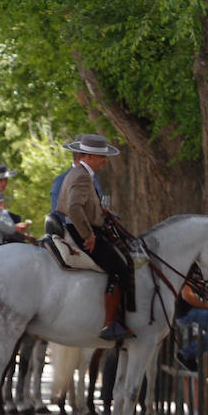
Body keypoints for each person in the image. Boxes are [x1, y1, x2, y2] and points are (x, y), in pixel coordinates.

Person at [55, 134, 132, 341]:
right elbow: (74, 207)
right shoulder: (81, 175)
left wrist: (101, 212)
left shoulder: (79, 173)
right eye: (100, 156)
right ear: (87, 156)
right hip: (83, 232)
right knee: (120, 270)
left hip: (82, 228)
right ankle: (111, 323)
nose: (105, 160)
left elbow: (82, 205)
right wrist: (88, 235)